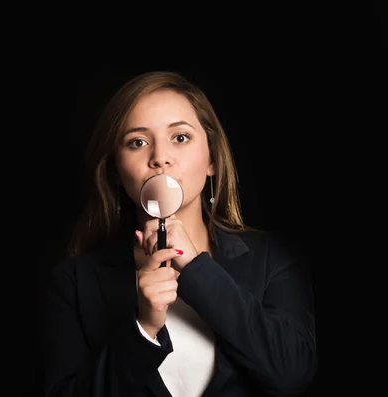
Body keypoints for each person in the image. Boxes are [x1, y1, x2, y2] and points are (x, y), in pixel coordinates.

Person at [41, 70, 317, 397]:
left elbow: (292, 373)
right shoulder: (75, 282)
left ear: (212, 158)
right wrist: (143, 329)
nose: (160, 158)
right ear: (116, 169)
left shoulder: (272, 259)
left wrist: (199, 271)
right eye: (137, 142)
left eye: (180, 137)